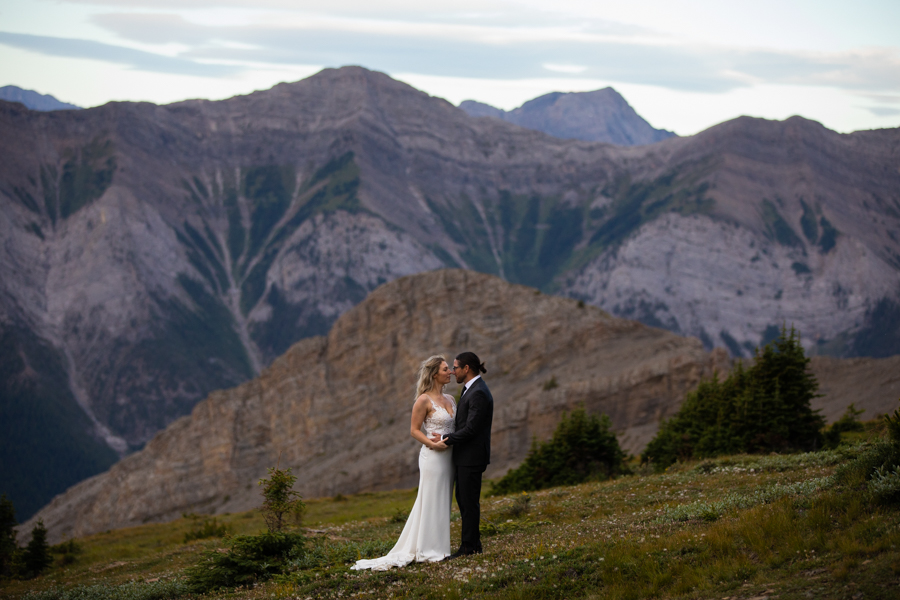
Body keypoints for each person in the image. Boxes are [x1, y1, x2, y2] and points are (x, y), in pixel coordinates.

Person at [351, 355, 456, 570]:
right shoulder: (423, 400)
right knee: (430, 498)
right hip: (433, 456)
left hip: (450, 457)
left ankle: (440, 546)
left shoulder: (452, 400)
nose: (450, 372)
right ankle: (428, 549)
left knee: (444, 498)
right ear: (435, 374)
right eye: (446, 369)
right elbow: (414, 430)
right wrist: (432, 444)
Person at [431, 351, 493, 559]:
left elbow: (471, 429)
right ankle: (472, 545)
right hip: (467, 457)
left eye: (455, 367)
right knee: (465, 501)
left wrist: (446, 439)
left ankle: (469, 547)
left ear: (466, 369)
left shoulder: (478, 393)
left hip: (472, 457)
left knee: (468, 502)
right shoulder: (472, 389)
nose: (452, 371)